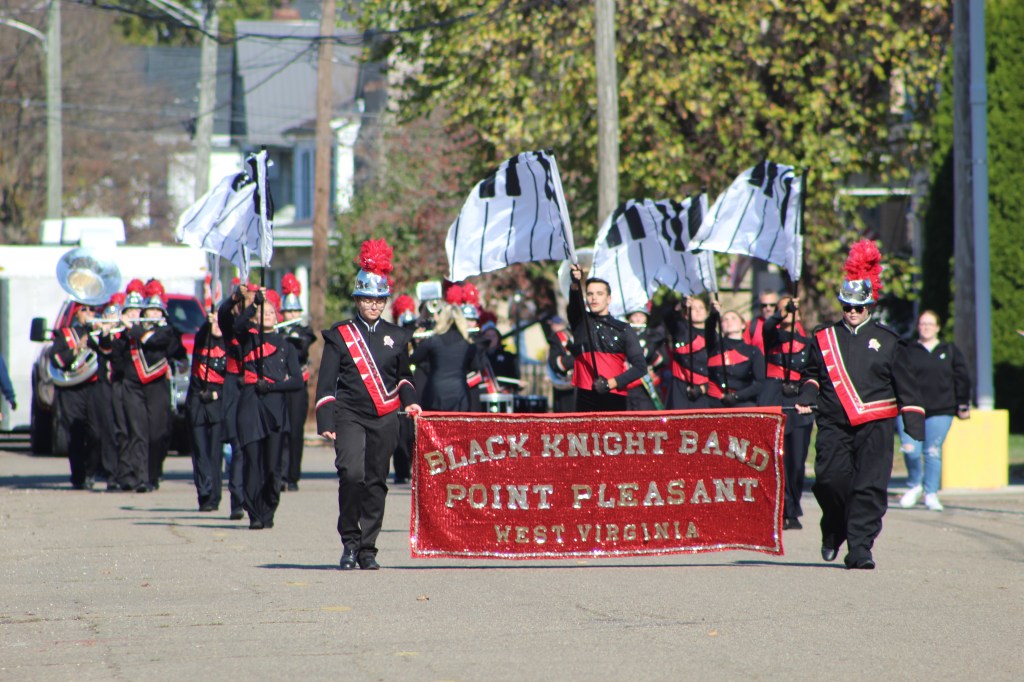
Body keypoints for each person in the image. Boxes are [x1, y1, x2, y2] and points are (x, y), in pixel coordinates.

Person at [795, 240, 924, 569]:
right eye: (847, 306)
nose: (852, 312)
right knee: (828, 481)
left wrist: (913, 421)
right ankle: (834, 527)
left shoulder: (889, 341)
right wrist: (807, 396)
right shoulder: (824, 338)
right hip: (834, 423)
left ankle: (860, 547)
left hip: (876, 424)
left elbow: (905, 383)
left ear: (870, 306)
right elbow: (811, 374)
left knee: (869, 487)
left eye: (859, 307)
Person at [315, 239, 421, 570]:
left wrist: (411, 402)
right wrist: (326, 420)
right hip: (349, 414)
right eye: (367, 299)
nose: (373, 305)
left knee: (376, 481)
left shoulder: (398, 336)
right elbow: (327, 381)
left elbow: (403, 378)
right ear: (358, 300)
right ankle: (349, 540)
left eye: (378, 299)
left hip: (385, 416)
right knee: (351, 473)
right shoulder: (340, 334)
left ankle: (368, 547)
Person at [220, 286, 302, 530]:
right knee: (252, 461)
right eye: (262, 311)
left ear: (277, 317)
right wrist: (252, 304)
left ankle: (269, 508)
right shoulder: (248, 338)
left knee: (272, 465)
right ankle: (254, 512)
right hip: (250, 405)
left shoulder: (287, 346)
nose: (268, 314)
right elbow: (231, 322)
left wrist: (274, 387)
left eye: (271, 311)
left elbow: (297, 382)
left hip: (275, 406)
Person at [897, 310, 972, 512]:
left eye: (930, 324)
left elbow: (961, 377)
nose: (926, 327)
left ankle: (931, 493)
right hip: (911, 408)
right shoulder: (908, 349)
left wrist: (963, 404)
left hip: (941, 409)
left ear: (938, 327)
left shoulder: (949, 350)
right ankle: (914, 485)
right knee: (911, 449)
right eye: (922, 324)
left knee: (932, 451)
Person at [758, 295, 813, 529]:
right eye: (785, 309)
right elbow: (768, 326)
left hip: (798, 402)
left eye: (793, 310)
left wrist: (806, 395)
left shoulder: (810, 343)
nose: (790, 313)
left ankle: (792, 510)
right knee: (773, 458)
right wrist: (781, 313)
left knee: (796, 462)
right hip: (775, 398)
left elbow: (814, 374)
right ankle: (773, 509)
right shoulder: (774, 337)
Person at [566, 264, 646, 412]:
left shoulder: (623, 329)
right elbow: (574, 306)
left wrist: (610, 383)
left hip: (614, 397)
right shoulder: (581, 322)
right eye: (590, 294)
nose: (594, 297)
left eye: (599, 293)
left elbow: (640, 367)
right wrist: (575, 283)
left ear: (608, 299)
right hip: (585, 398)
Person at [49, 301, 101, 489]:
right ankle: (79, 476)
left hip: (94, 387)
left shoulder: (99, 332)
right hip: (73, 389)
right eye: (84, 310)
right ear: (76, 314)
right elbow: (56, 359)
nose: (89, 313)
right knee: (76, 434)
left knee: (96, 433)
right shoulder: (65, 334)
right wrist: (76, 349)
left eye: (92, 308)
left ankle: (92, 470)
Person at [278, 274, 317, 492]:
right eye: (288, 311)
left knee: (294, 431)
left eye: (294, 311)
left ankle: (292, 476)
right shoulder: (277, 329)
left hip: (297, 386)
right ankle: (279, 473)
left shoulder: (304, 331)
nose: (291, 315)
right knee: (280, 430)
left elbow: (303, 347)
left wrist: (290, 335)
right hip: (279, 384)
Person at [186, 312, 227, 512]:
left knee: (214, 453)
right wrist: (207, 325)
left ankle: (215, 496)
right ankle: (204, 492)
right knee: (200, 451)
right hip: (197, 401)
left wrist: (216, 396)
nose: (217, 326)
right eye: (214, 322)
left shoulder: (229, 344)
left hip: (217, 402)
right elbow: (202, 335)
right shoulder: (203, 340)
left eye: (221, 323)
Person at [410, 302, 478, 411]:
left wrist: (417, 343)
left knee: (435, 428)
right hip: (460, 395)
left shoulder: (433, 341)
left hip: (435, 394)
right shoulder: (468, 344)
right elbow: (475, 366)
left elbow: (414, 359)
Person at [665, 295, 719, 409]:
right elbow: (668, 317)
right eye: (693, 308)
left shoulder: (714, 336)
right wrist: (681, 305)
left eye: (701, 308)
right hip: (680, 387)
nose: (698, 311)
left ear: (707, 313)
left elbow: (718, 369)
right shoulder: (681, 331)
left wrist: (703, 388)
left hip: (705, 391)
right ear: (686, 314)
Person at [707, 309, 764, 407]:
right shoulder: (714, 347)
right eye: (725, 320)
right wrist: (713, 314)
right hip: (716, 402)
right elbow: (709, 329)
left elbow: (760, 383)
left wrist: (737, 396)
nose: (729, 321)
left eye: (733, 318)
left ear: (743, 325)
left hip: (743, 402)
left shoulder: (753, 351)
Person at [625, 308, 667, 411]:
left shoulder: (653, 336)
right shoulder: (624, 335)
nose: (638, 319)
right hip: (628, 386)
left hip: (647, 386)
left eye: (641, 316)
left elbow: (664, 359)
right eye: (635, 316)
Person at [743, 289, 780, 353]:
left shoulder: (785, 324)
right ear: (760, 306)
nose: (768, 308)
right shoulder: (750, 326)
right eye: (764, 305)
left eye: (772, 305)